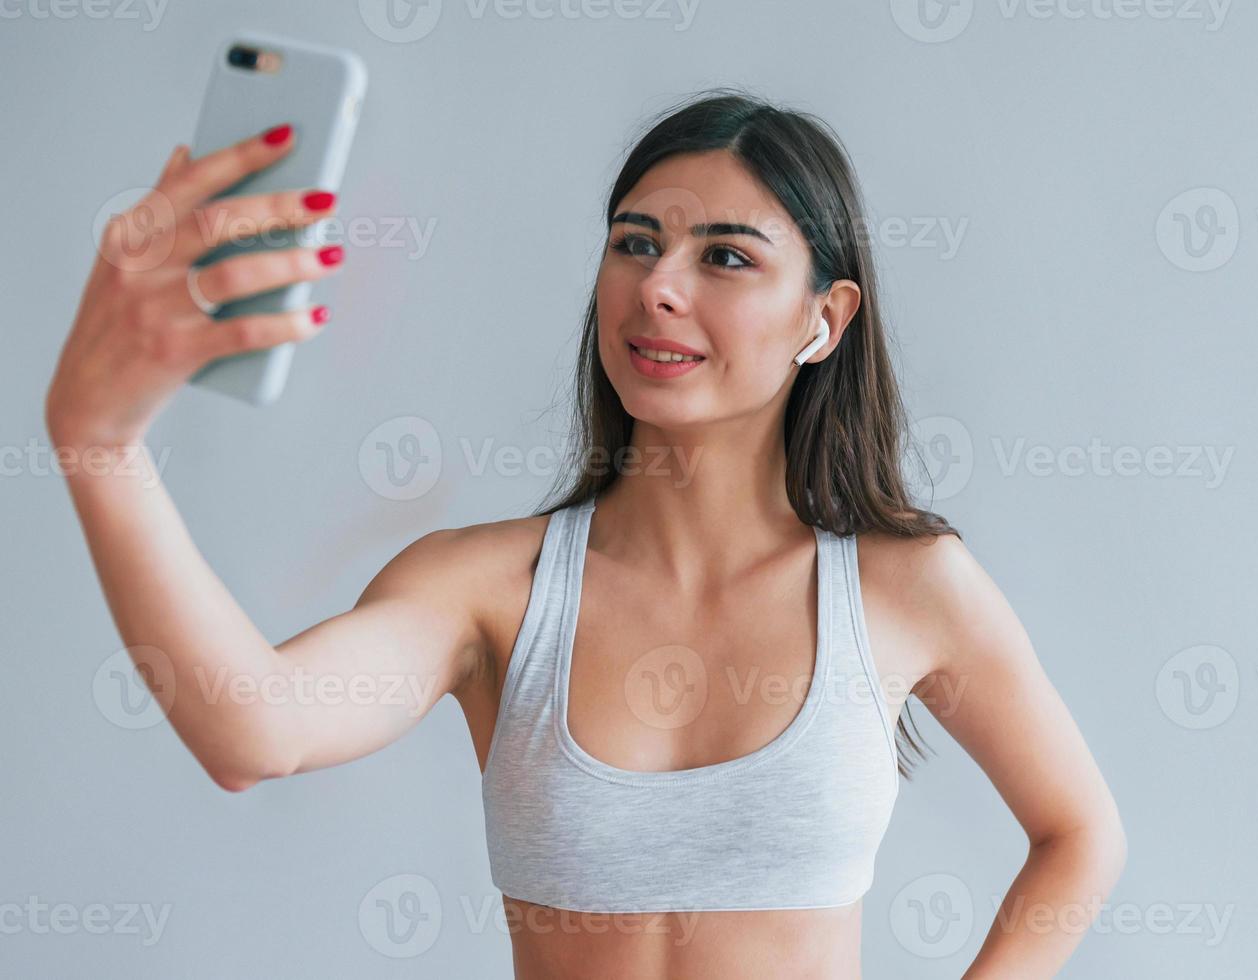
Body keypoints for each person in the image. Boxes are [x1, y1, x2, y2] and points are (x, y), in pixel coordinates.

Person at [45, 87, 1126, 979]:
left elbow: (1080, 836)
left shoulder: (907, 586)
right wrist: (99, 444)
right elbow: (253, 730)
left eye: (726, 257)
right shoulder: (485, 589)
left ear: (822, 321)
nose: (657, 286)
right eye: (635, 242)